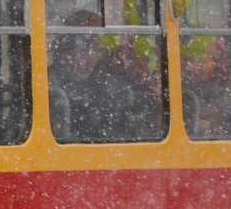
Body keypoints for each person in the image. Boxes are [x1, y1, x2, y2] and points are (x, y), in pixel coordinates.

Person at [49, 9, 157, 142]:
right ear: (63, 50)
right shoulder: (50, 86)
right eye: (79, 47)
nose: (86, 58)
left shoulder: (115, 89)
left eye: (95, 48)